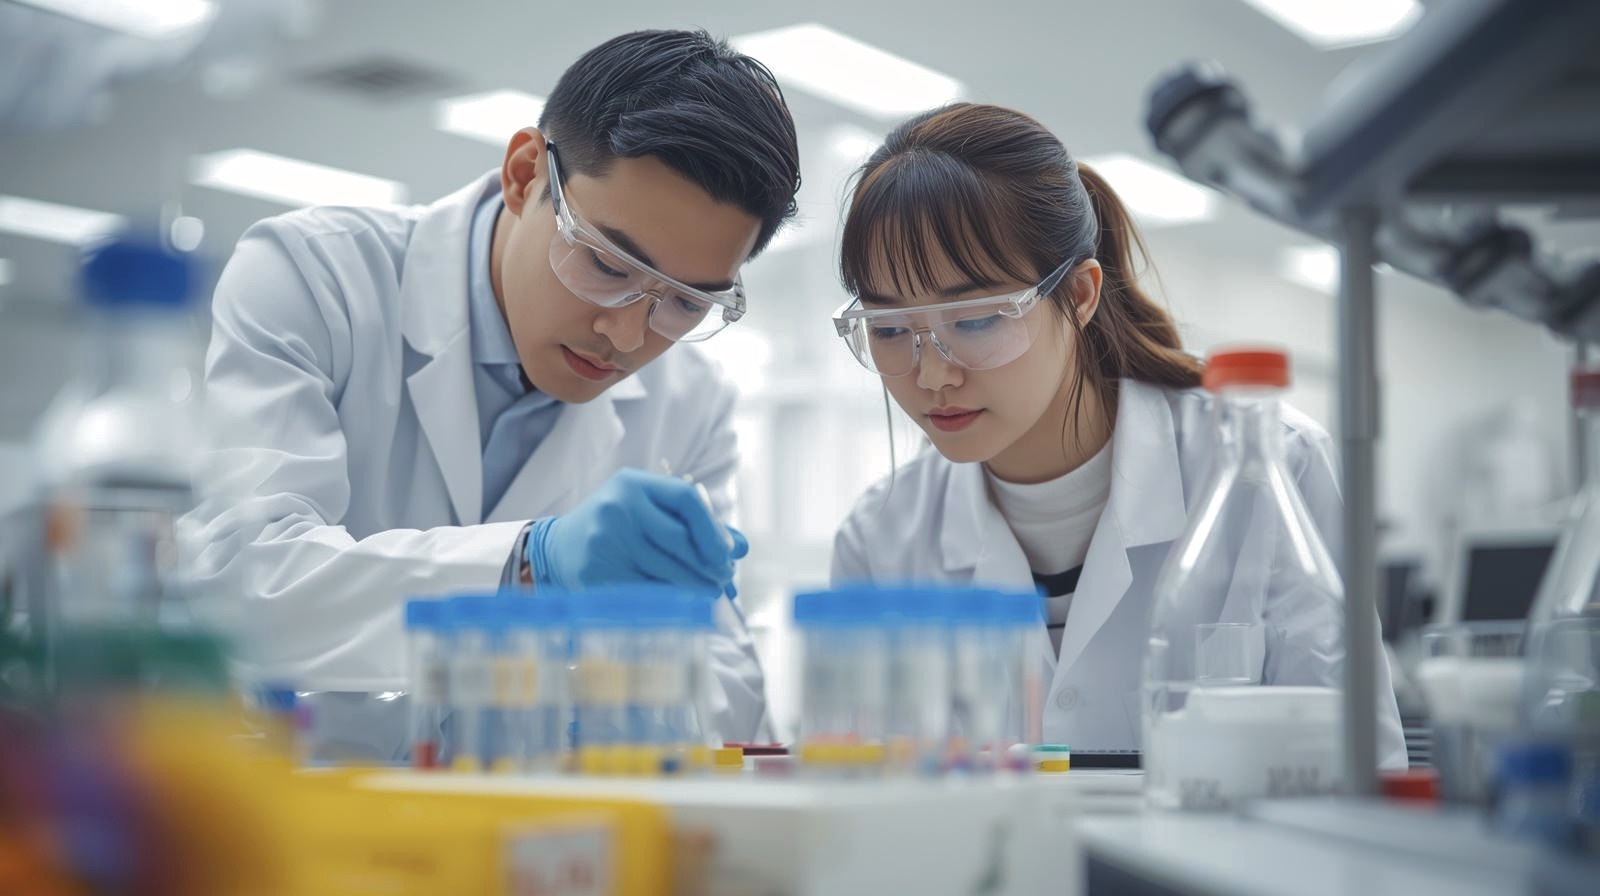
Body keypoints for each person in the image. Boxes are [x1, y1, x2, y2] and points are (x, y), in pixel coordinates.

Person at [182, 29, 801, 757]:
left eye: (685, 303)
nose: (628, 335)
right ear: (523, 175)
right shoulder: (316, 278)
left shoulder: (692, 401)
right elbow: (241, 584)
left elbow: (725, 677)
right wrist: (528, 569)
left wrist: (631, 688)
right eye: (606, 263)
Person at [828, 103, 1406, 766]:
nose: (932, 375)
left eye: (978, 320)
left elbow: (1362, 769)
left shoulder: (1271, 465)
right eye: (891, 329)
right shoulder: (881, 537)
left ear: (1078, 295)